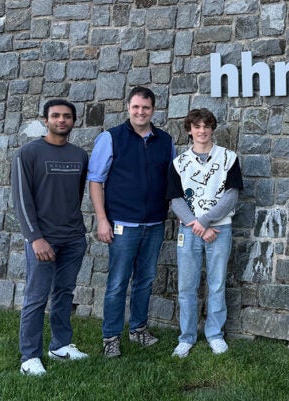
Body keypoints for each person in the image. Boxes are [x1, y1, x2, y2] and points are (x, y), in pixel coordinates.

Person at [88, 86, 175, 357]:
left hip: (154, 223)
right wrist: (103, 220)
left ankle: (138, 330)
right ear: (128, 107)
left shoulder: (165, 140)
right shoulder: (111, 138)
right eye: (136, 107)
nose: (141, 112)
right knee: (117, 282)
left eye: (146, 108)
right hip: (122, 223)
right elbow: (96, 181)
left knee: (145, 280)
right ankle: (110, 337)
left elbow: (173, 180)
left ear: (153, 110)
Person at [12, 99, 89, 376]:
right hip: (43, 240)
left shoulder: (80, 155)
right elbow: (22, 200)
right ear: (46, 120)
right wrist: (35, 238)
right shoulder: (28, 153)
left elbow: (76, 195)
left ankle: (61, 345)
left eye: (67, 116)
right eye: (55, 116)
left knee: (64, 293)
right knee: (36, 296)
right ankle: (29, 357)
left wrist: (77, 234)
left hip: (73, 238)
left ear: (73, 121)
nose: (61, 120)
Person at [166, 108, 243, 358]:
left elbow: (231, 196)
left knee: (217, 283)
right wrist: (196, 225)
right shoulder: (179, 163)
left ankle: (215, 335)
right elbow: (175, 199)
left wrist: (206, 222)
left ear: (212, 129)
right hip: (189, 231)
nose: (202, 131)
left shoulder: (228, 158)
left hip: (220, 229)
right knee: (187, 286)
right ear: (189, 130)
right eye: (197, 126)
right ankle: (186, 337)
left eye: (206, 126)